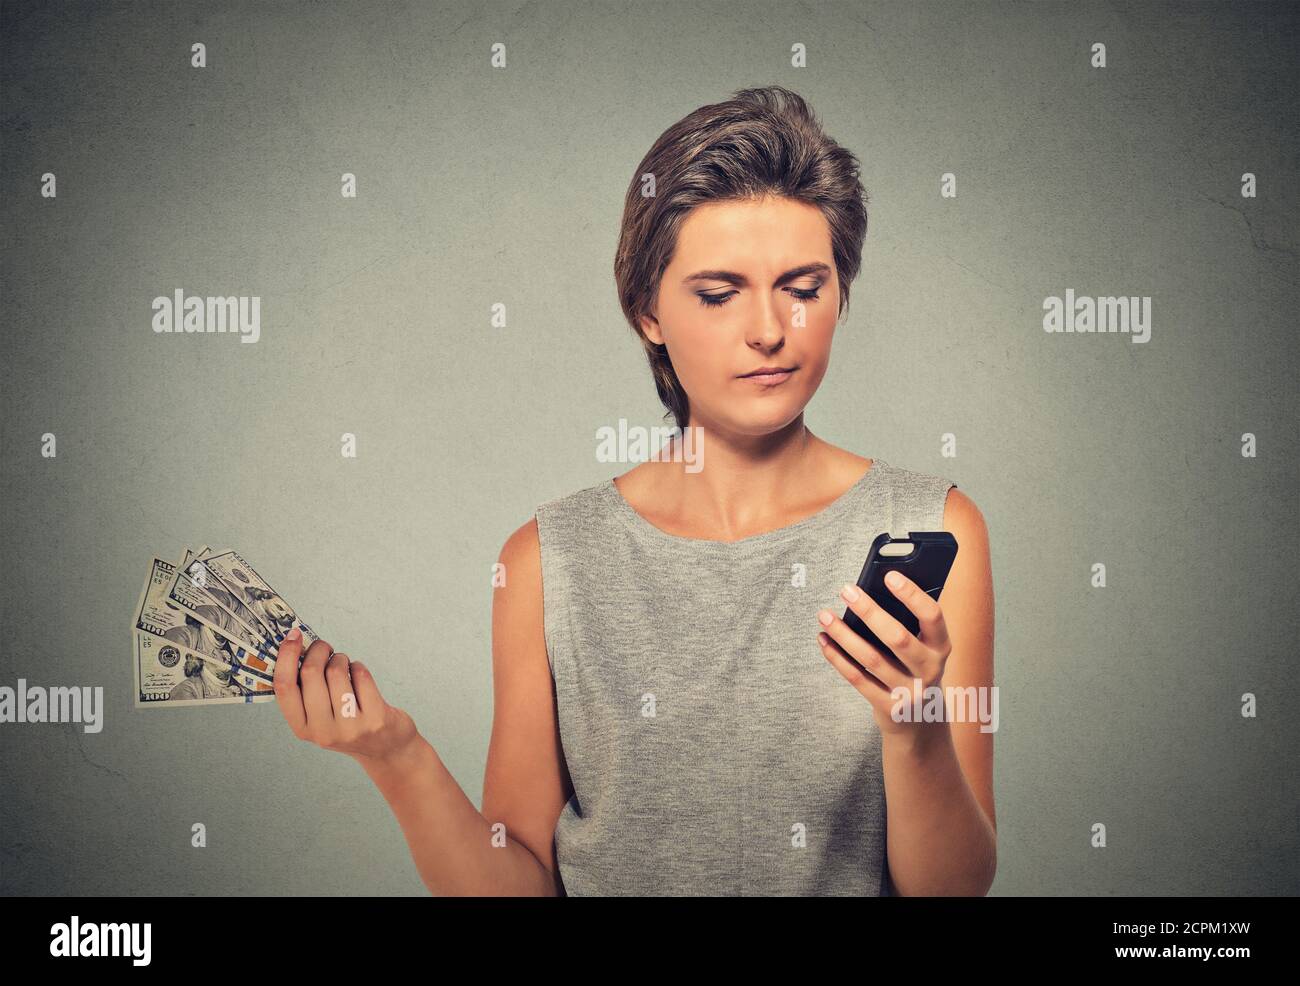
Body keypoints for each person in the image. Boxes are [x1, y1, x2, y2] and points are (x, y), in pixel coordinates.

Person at [273, 85, 996, 896]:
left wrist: (915, 729)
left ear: (841, 292)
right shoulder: (550, 561)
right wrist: (396, 755)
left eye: (803, 287)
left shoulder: (930, 526)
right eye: (718, 295)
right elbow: (524, 884)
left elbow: (955, 890)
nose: (768, 329)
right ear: (646, 311)